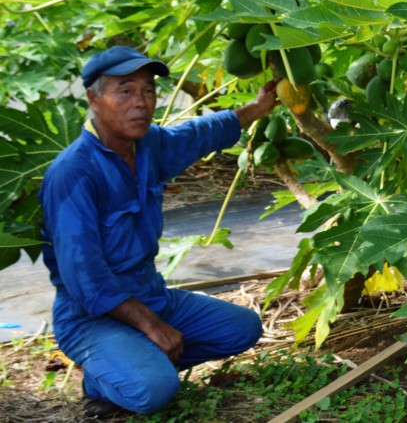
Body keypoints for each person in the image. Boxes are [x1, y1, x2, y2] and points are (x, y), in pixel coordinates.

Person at [38, 45, 278, 418]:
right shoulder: (73, 173)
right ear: (94, 99)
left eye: (148, 90)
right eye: (126, 90)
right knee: (153, 391)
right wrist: (152, 326)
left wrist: (258, 108)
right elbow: (86, 279)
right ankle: (104, 380)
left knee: (241, 328)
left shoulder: (149, 146)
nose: (141, 102)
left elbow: (201, 134)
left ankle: (133, 359)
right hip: (90, 316)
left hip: (150, 295)